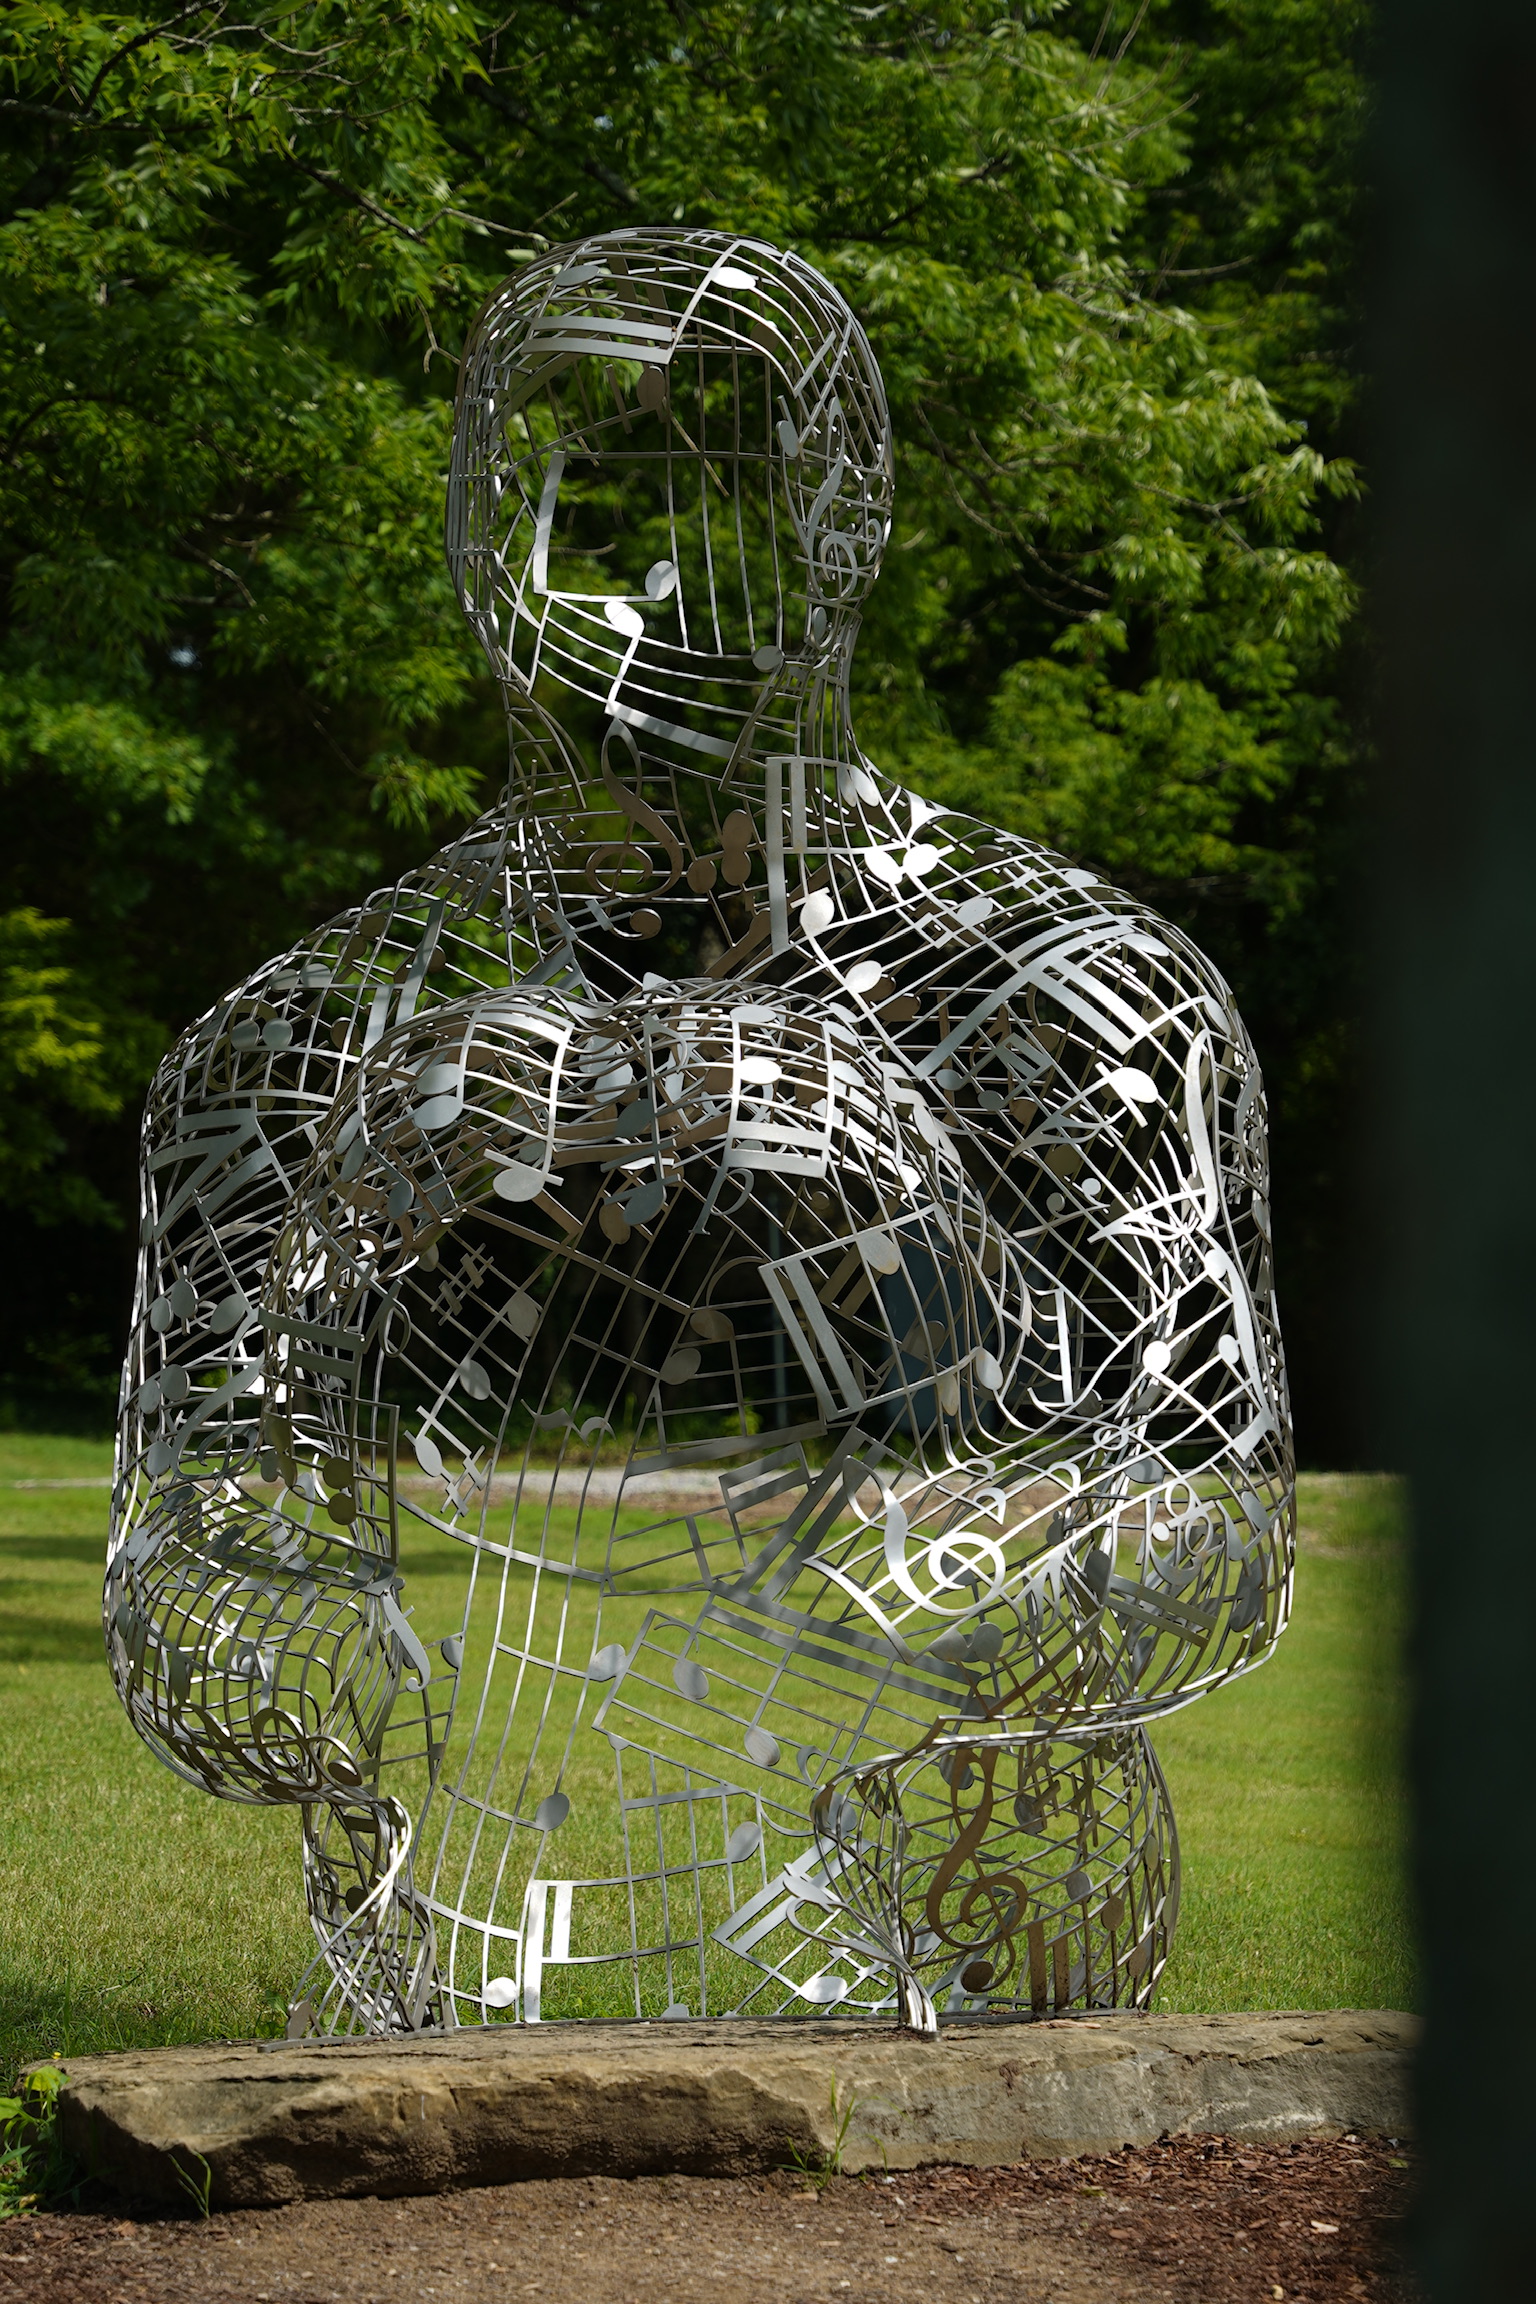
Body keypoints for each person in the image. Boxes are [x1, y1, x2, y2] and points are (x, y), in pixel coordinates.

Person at [108, 230, 1293, 2037]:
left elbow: (1208, 1552)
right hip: (459, 2003)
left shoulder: (1070, 992)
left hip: (963, 1975)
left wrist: (907, 1229)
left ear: (849, 522)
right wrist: (342, 1270)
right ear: (469, 548)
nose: (650, 600)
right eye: (580, 523)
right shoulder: (296, 1043)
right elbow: (197, 1616)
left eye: (713, 506)